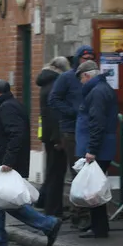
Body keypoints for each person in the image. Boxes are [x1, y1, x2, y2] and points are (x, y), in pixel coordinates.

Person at [0, 79, 62, 246]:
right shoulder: (8, 106)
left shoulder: (7, 108)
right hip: (2, 161)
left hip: (5, 163)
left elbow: (17, 135)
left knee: (3, 201)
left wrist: (8, 161)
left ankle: (47, 224)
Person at [74, 61, 118, 239]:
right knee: (94, 187)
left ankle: (99, 229)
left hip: (98, 148)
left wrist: (91, 150)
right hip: (102, 146)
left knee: (93, 189)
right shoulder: (101, 89)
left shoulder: (97, 92)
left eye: (81, 79)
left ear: (86, 76)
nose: (81, 83)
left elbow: (97, 123)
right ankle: (98, 225)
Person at [48, 45, 95, 178]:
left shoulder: (94, 77)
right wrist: (72, 112)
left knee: (92, 169)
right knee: (78, 169)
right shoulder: (66, 78)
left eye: (91, 59)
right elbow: (54, 100)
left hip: (91, 128)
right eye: (85, 58)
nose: (88, 61)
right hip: (71, 129)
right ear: (78, 59)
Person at [34, 56, 70, 217]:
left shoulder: (46, 82)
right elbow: (55, 114)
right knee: (57, 173)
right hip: (55, 137)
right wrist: (58, 139)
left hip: (48, 135)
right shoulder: (56, 84)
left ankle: (44, 201)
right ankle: (53, 210)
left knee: (51, 171)